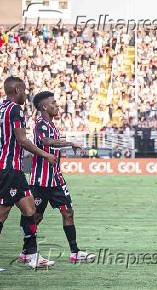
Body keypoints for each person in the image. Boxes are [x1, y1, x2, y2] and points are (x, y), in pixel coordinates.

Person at [22, 91, 95, 264]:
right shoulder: (40, 124)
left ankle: (75, 252)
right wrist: (70, 143)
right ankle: (27, 253)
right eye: (54, 103)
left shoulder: (52, 125)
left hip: (56, 180)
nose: (57, 106)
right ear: (44, 107)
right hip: (40, 181)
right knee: (35, 217)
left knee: (68, 212)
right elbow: (46, 142)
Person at [0, 77, 56, 269]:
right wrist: (45, 154)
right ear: (17, 89)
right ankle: (30, 255)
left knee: (30, 209)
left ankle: (30, 255)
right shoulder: (15, 110)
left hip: (11, 168)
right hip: (9, 169)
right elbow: (22, 140)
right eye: (24, 91)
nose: (26, 95)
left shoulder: (1, 108)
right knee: (2, 213)